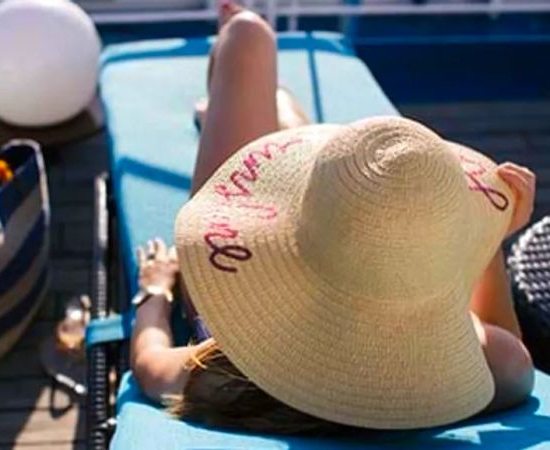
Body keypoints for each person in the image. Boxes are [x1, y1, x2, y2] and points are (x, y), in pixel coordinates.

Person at [130, 2, 535, 434]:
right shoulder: (494, 375)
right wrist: (487, 243)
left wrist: (155, 289)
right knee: (340, 164)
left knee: (248, 36)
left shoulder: (234, 373)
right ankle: (281, 116)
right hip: (318, 255)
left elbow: (148, 361)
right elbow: (497, 335)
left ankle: (259, 114)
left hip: (243, 258)